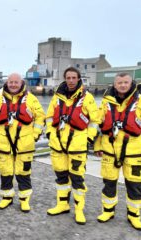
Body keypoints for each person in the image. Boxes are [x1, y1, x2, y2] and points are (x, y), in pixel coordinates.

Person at [94, 73, 141, 231]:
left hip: (134, 152)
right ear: (114, 84)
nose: (122, 85)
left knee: (134, 185)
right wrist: (97, 146)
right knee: (109, 183)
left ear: (131, 83)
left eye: (125, 82)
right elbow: (99, 125)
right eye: (119, 82)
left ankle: (134, 215)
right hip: (110, 150)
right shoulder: (106, 101)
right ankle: (108, 211)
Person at [45, 67, 100, 224]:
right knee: (61, 177)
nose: (70, 80)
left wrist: (88, 138)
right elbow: (49, 117)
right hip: (58, 146)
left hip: (77, 146)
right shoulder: (56, 97)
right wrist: (50, 134)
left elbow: (95, 120)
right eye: (68, 77)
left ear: (78, 79)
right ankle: (62, 205)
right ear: (64, 78)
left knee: (77, 179)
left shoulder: (87, 98)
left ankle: (79, 210)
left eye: (73, 78)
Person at [0, 73, 45, 212]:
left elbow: (40, 117)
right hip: (3, 144)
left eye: (16, 82)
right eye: (11, 82)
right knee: (5, 172)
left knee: (23, 173)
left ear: (21, 83)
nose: (13, 85)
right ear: (7, 83)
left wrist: (35, 135)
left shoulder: (31, 99)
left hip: (24, 145)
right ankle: (6, 197)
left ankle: (24, 200)